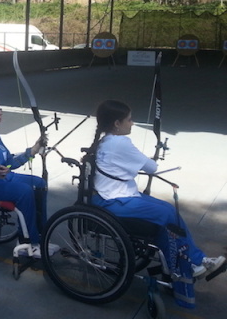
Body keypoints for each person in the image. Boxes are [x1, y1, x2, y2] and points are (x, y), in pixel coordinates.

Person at [90, 99, 225, 308]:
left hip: (113, 195)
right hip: (114, 201)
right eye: (129, 119)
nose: (132, 123)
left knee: (166, 212)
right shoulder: (120, 142)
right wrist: (149, 158)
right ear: (117, 123)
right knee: (168, 213)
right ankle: (196, 261)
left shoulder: (107, 140)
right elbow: (151, 167)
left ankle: (193, 262)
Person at [0, 94, 49, 257]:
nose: (0, 113)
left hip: (5, 178)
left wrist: (33, 150)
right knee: (24, 192)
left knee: (40, 184)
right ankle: (28, 242)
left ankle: (41, 234)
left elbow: (9, 162)